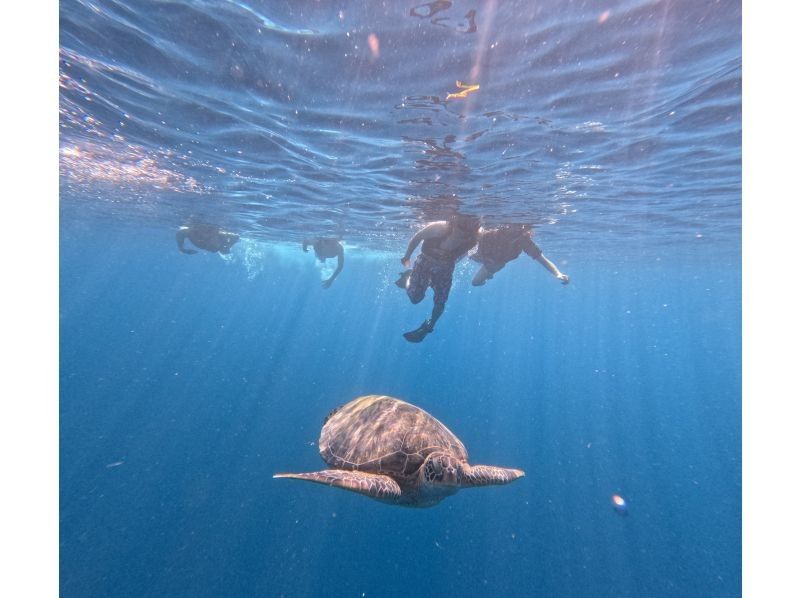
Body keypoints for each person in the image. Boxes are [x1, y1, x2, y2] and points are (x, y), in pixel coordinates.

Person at [395, 214, 481, 342]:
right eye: (462, 226)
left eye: (470, 226)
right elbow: (418, 237)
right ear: (456, 222)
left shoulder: (474, 237)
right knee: (415, 298)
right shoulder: (440, 228)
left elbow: (465, 253)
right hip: (425, 262)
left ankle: (430, 326)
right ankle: (409, 278)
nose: (463, 231)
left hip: (446, 268)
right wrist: (407, 256)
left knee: (440, 301)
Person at [470, 224, 569, 286]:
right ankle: (488, 274)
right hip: (483, 256)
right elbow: (477, 233)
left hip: (495, 263)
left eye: (519, 228)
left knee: (475, 283)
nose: (515, 230)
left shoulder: (524, 241)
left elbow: (543, 260)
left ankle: (488, 274)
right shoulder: (494, 231)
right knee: (472, 254)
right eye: (513, 226)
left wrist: (558, 274)